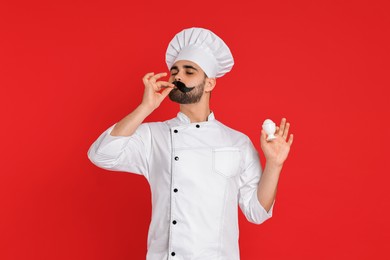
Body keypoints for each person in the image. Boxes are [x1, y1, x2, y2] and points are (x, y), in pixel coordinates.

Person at [87, 27, 293, 260]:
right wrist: (146, 108)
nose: (178, 77)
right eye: (174, 71)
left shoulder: (237, 142)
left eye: (189, 71)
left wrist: (274, 164)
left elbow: (257, 212)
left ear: (209, 84)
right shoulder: (155, 136)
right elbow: (101, 155)